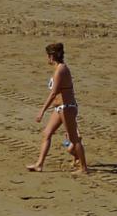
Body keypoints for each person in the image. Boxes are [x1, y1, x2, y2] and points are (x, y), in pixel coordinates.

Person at [28, 43, 88, 174]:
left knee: (73, 139)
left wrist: (42, 111)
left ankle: (84, 168)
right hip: (59, 108)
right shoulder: (58, 69)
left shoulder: (60, 70)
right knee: (46, 133)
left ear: (51, 57)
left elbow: (54, 93)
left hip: (66, 108)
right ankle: (39, 164)